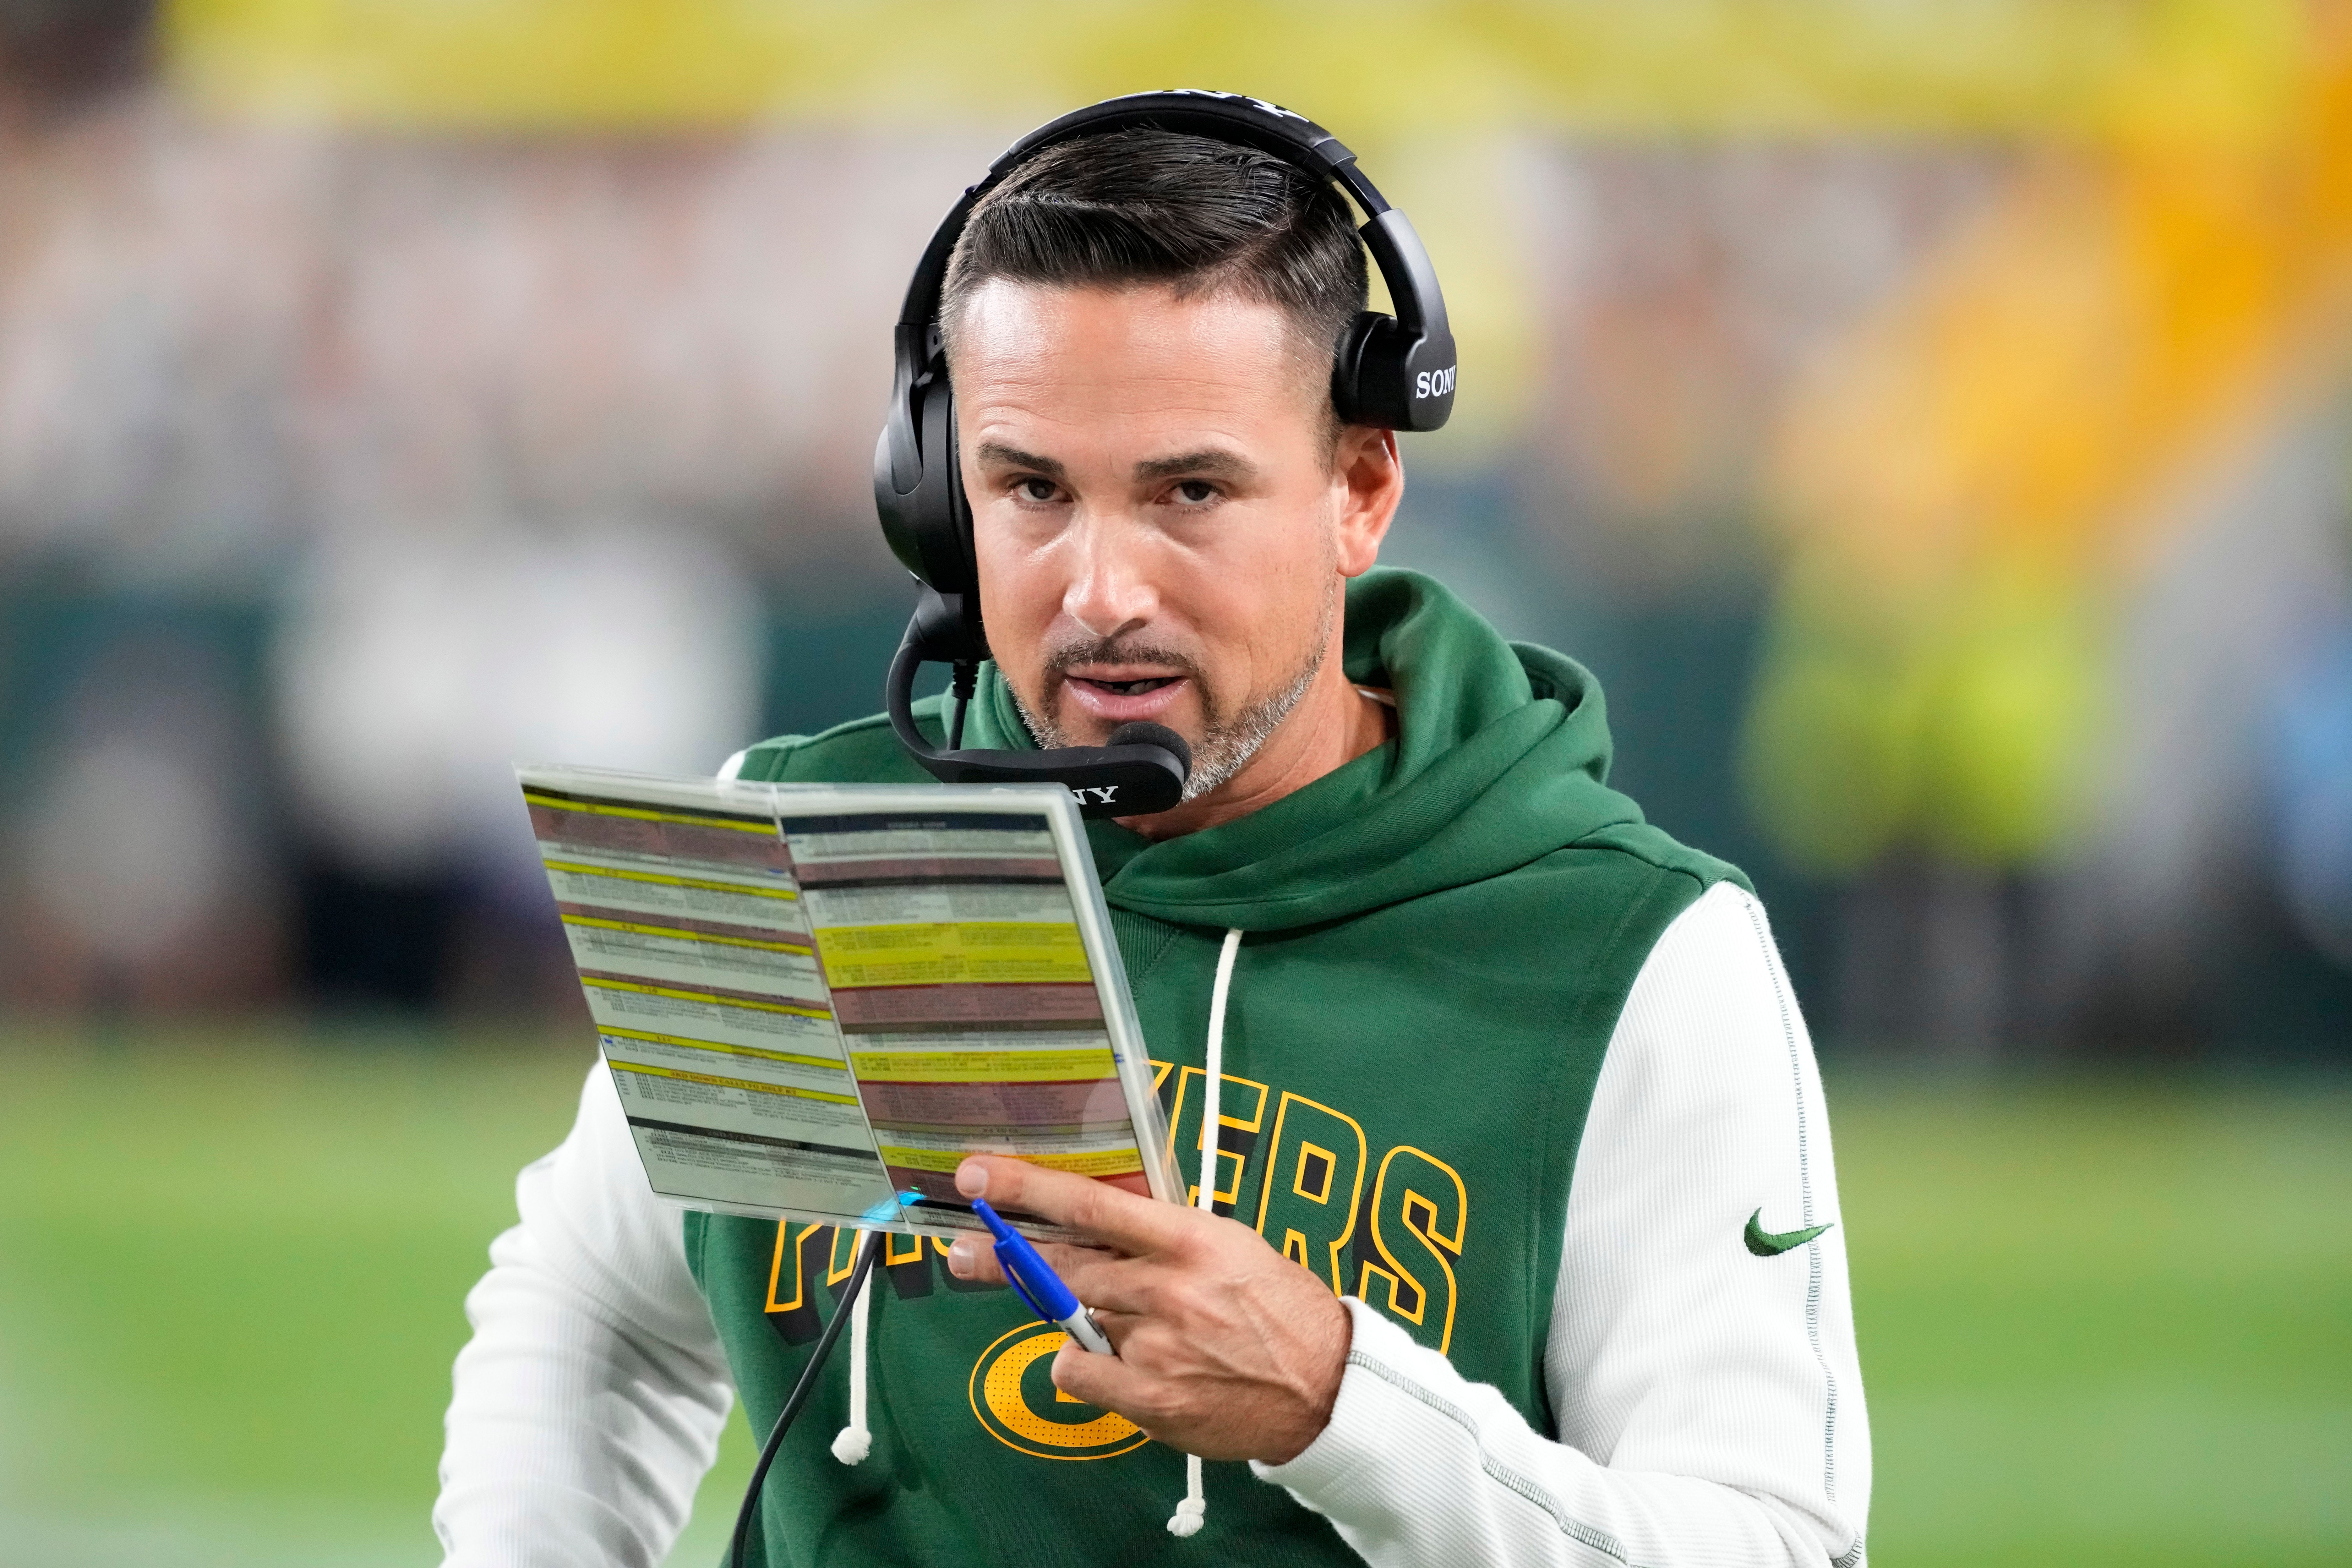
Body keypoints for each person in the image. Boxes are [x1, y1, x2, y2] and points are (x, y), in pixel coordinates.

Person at [435, 100, 1870, 1568]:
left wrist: (1338, 1402)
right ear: (935, 496)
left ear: (1360, 487)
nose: (1102, 588)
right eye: (1031, 489)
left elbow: (1774, 1547)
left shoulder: (1636, 958)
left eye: (1190, 492)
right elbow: (593, 1306)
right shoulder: (811, 836)